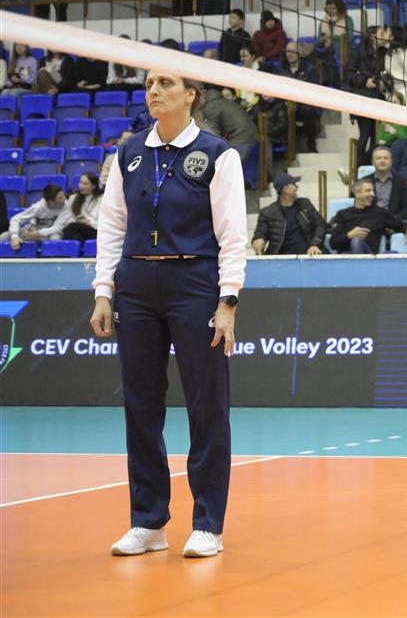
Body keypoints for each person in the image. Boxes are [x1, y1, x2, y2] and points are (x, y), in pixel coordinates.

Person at [89, 68, 247, 559]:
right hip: (136, 285)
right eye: (149, 85)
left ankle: (208, 526)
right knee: (140, 405)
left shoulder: (219, 154)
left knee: (206, 405)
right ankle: (149, 521)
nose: (154, 91)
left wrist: (228, 300)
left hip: (195, 281)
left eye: (165, 84)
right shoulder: (129, 152)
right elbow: (112, 225)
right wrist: (103, 290)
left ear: (191, 95)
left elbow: (233, 233)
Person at [329, 177, 407, 254]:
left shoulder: (380, 213)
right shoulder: (342, 214)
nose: (372, 194)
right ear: (357, 194)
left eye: (373, 191)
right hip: (345, 257)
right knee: (354, 240)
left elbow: (400, 225)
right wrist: (350, 235)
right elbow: (333, 243)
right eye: (368, 191)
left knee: (356, 241)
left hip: (368, 257)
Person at [252, 173, 325, 256]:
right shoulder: (267, 212)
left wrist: (315, 244)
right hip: (281, 257)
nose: (297, 187)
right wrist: (258, 240)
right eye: (294, 184)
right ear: (286, 189)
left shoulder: (305, 204)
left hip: (308, 254)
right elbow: (260, 233)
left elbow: (320, 224)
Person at [198, 84, 257, 171]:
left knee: (229, 167)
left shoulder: (212, 106)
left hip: (242, 137)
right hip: (247, 134)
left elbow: (212, 132)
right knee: (230, 166)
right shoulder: (221, 101)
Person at [2, 183, 72, 249]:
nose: (64, 199)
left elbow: (58, 228)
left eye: (63, 196)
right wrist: (14, 237)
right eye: (60, 198)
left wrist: (38, 233)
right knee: (4, 236)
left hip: (50, 234)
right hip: (33, 231)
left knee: (55, 239)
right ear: (51, 202)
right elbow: (16, 219)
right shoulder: (38, 207)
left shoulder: (66, 206)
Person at [368, 145, 407, 223]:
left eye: (386, 158)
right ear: (372, 162)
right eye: (378, 158)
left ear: (391, 161)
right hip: (371, 222)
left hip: (394, 221)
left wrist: (393, 220)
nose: (382, 161)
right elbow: (360, 207)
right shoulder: (365, 181)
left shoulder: (401, 182)